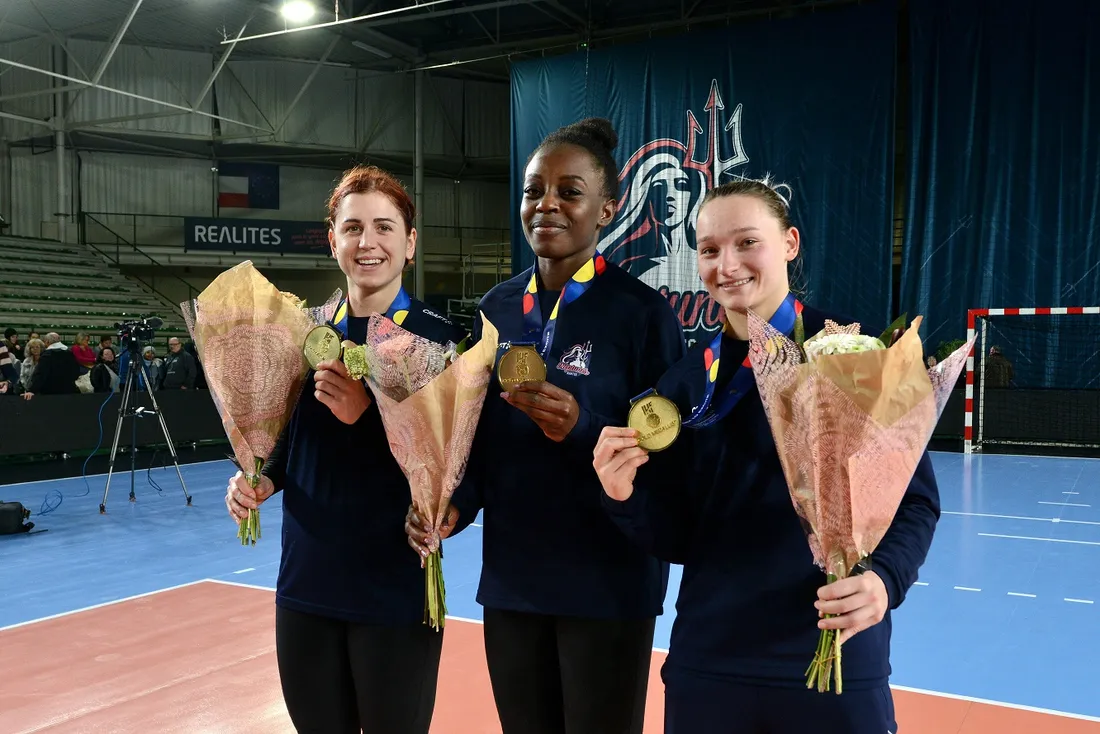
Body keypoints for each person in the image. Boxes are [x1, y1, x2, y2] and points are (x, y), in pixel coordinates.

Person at [592, 177, 940, 734]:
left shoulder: (858, 355)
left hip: (834, 656)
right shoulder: (685, 381)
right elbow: (677, 538)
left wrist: (884, 581)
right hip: (713, 662)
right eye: (709, 250)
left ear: (790, 243)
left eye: (746, 242)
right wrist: (623, 496)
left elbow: (916, 501)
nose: (726, 265)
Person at [405, 118, 686, 734]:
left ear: (607, 209)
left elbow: (668, 452)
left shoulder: (644, 314)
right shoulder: (498, 307)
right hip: (515, 581)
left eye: (570, 191)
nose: (547, 205)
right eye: (534, 190)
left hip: (607, 583)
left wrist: (584, 428)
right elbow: (478, 437)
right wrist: (459, 500)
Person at [224, 165, 466, 734]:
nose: (368, 242)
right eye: (353, 227)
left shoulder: (439, 341)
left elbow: (453, 471)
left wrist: (372, 416)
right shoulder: (301, 334)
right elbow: (288, 442)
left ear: (409, 243)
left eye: (384, 227)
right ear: (332, 239)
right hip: (306, 586)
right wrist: (260, 478)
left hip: (394, 589)